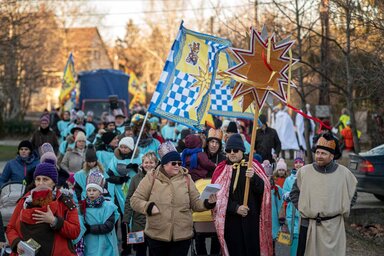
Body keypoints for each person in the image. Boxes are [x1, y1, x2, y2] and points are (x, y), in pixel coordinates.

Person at [130, 142, 217, 256]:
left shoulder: (187, 178)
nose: (177, 165)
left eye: (179, 163)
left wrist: (207, 203)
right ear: (164, 164)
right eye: (174, 163)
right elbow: (135, 200)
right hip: (157, 235)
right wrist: (148, 207)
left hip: (182, 236)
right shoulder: (151, 178)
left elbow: (195, 203)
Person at [290, 132, 357, 256]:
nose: (319, 156)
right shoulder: (304, 172)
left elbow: (353, 194)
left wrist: (341, 208)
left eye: (323, 153)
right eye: (318, 153)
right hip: (308, 226)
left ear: (332, 156)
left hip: (333, 228)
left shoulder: (344, 174)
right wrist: (304, 208)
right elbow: (294, 194)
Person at [212, 134, 273, 256]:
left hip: (252, 220)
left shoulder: (253, 166)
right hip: (232, 221)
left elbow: (264, 191)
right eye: (229, 151)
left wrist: (254, 178)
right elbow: (217, 198)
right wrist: (235, 208)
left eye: (235, 150)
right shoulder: (222, 169)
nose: (232, 153)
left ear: (242, 151)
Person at [6, 162, 80, 255]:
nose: (41, 183)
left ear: (54, 182)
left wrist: (54, 221)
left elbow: (75, 231)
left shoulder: (65, 202)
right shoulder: (25, 200)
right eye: (38, 179)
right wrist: (16, 243)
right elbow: (11, 228)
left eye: (45, 179)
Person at [123, 152, 159, 256]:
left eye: (151, 162)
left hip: (155, 220)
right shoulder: (135, 179)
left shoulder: (160, 178)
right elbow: (129, 198)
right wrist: (126, 218)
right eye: (146, 162)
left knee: (154, 250)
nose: (148, 165)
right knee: (140, 250)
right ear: (142, 164)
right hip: (138, 221)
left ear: (156, 164)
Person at [79, 171, 120, 256]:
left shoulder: (108, 206)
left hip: (105, 242)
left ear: (100, 191)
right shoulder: (83, 206)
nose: (91, 193)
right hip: (89, 242)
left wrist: (89, 229)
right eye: (89, 190)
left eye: (94, 190)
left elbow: (108, 226)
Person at [282, 154, 305, 256]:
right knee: (294, 235)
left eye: (300, 162)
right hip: (292, 210)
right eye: (296, 162)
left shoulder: (307, 177)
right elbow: (284, 195)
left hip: (304, 210)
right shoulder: (288, 180)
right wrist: (292, 194)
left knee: (302, 235)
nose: (298, 164)